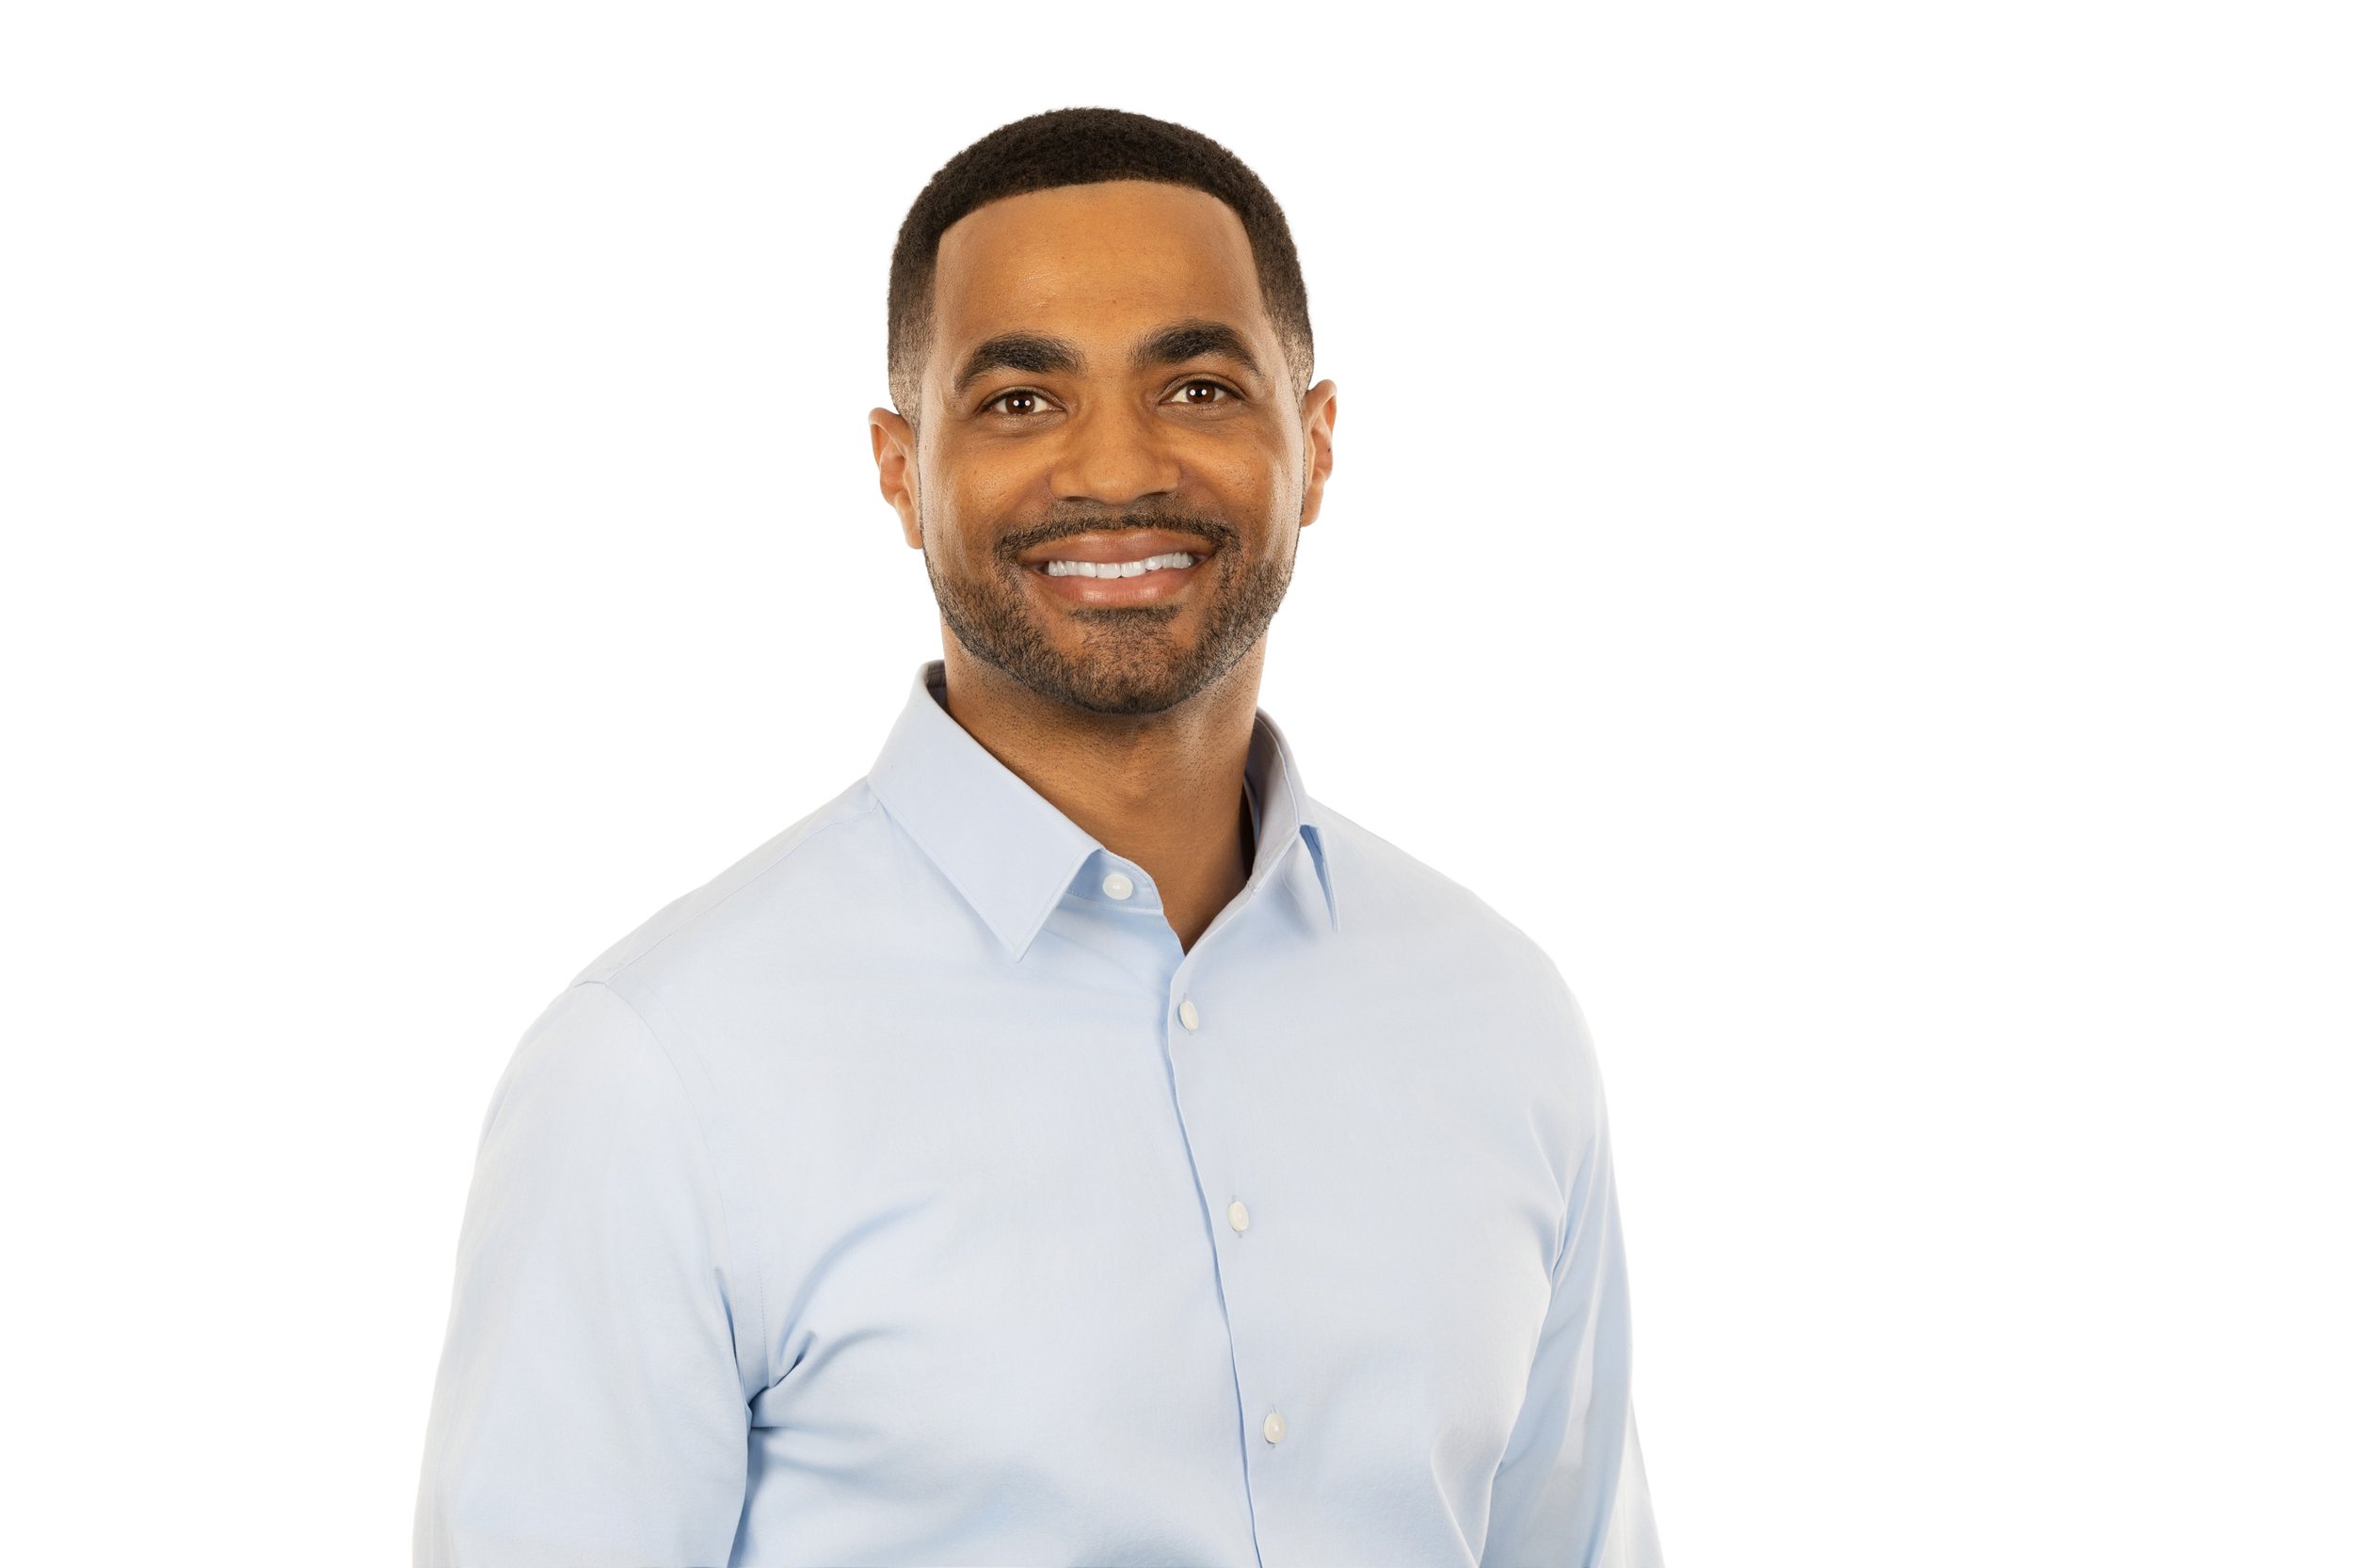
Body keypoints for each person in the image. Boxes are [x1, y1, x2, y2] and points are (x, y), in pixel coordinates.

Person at [413, 105, 1663, 1568]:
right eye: (1020, 400)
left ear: (1316, 446)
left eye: (1197, 387)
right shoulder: (659, 1074)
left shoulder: (1498, 1016)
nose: (1115, 467)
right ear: (900, 470)